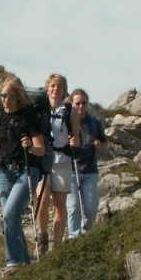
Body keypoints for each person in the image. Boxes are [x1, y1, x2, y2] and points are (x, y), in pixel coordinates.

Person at [0, 76, 46, 269]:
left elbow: (41, 149)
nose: (6, 100)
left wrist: (30, 147)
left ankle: (13, 263)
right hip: (4, 172)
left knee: (10, 213)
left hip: (27, 170)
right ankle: (24, 263)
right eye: (3, 96)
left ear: (18, 97)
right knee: (10, 217)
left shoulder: (28, 116)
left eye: (11, 97)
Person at [34, 73, 79, 255]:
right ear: (48, 88)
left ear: (64, 90)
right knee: (42, 199)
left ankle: (57, 246)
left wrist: (75, 141)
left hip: (62, 160)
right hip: (43, 159)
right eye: (53, 85)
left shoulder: (70, 111)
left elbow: (76, 137)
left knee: (60, 206)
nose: (55, 89)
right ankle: (43, 237)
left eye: (59, 86)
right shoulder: (39, 108)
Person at [66, 88, 108, 238]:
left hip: (89, 170)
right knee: (74, 207)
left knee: (91, 208)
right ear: (72, 104)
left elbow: (105, 142)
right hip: (71, 170)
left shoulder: (94, 123)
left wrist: (99, 144)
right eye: (77, 103)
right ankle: (74, 238)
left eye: (84, 103)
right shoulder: (66, 122)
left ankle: (86, 235)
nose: (81, 106)